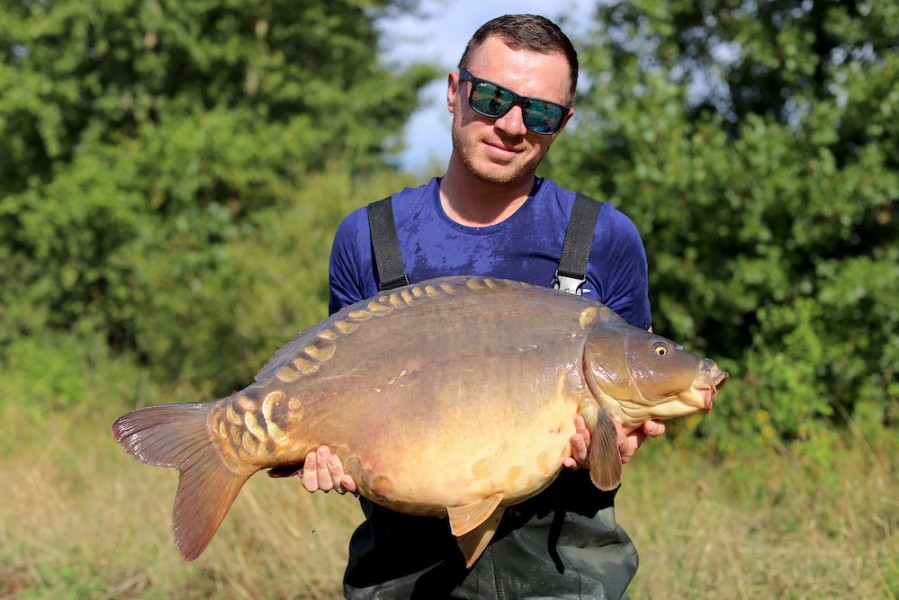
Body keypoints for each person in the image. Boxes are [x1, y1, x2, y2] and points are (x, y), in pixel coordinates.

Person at [302, 14, 665, 599]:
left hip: (564, 573)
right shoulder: (369, 237)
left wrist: (622, 438)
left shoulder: (605, 238)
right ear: (455, 91)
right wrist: (325, 449)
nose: (513, 125)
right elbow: (341, 387)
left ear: (563, 123)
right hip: (402, 573)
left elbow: (632, 398)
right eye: (493, 97)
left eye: (541, 112)